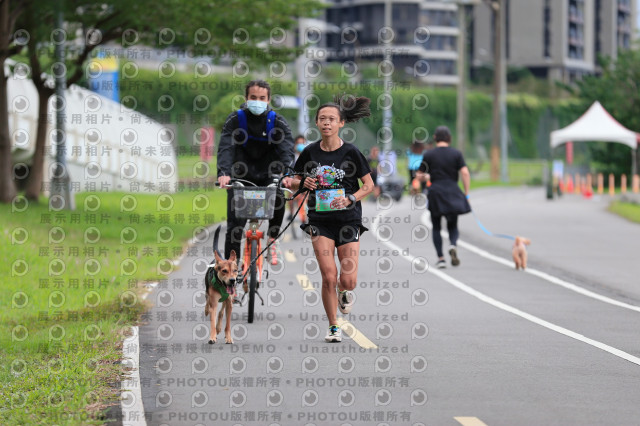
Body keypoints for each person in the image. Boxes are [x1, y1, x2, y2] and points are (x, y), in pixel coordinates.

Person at [292, 95, 374, 342]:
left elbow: (368, 185)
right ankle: (333, 326)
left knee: (348, 280)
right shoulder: (309, 152)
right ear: (317, 123)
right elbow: (294, 179)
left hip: (348, 220)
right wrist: (302, 181)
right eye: (322, 119)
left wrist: (351, 198)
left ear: (341, 123)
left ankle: (344, 292)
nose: (327, 123)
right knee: (328, 275)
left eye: (331, 119)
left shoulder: (351, 152)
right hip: (320, 221)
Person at [216, 79, 294, 265]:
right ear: (246, 98)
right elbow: (226, 147)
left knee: (278, 196)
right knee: (235, 228)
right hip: (240, 176)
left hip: (269, 174)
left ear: (268, 100)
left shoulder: (277, 121)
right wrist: (223, 172)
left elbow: (287, 149)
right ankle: (230, 271)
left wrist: (288, 174)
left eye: (261, 98)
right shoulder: (235, 120)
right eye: (253, 97)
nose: (257, 101)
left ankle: (272, 239)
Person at [417, 125, 470, 269]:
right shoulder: (456, 154)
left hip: (435, 192)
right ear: (449, 138)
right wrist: (466, 193)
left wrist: (426, 176)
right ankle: (452, 245)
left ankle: (441, 258)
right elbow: (465, 173)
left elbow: (419, 175)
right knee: (452, 225)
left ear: (435, 138)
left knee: (436, 227)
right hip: (453, 191)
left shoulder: (429, 154)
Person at [287, 135, 307, 223]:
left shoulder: (308, 156)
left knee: (307, 194)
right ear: (295, 145)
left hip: (305, 180)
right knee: (290, 194)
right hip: (294, 180)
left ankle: (306, 213)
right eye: (298, 143)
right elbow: (288, 168)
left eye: (302, 143)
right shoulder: (292, 157)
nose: (300, 145)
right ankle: (291, 213)